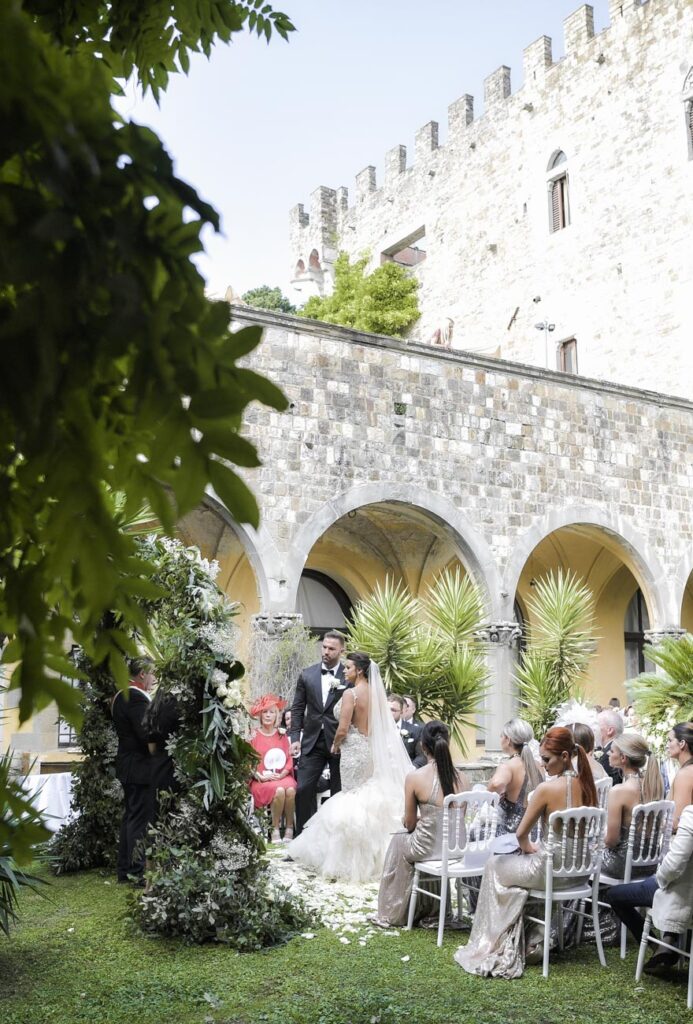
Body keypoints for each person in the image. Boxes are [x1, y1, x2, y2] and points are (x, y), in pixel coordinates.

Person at [455, 726, 598, 979]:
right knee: (512, 869)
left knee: (494, 865)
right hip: (580, 873)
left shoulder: (546, 789)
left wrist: (529, 848)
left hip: (550, 871)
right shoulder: (587, 785)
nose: (542, 765)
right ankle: (528, 936)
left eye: (546, 759)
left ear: (565, 756)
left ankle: (493, 940)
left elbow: (522, 834)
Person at [287, 651, 413, 882]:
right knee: (367, 796)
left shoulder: (351, 694)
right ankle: (378, 858)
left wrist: (335, 745)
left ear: (360, 670)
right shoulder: (376, 696)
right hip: (369, 750)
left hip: (353, 751)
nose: (344, 671)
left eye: (348, 667)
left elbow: (343, 728)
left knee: (351, 798)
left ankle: (348, 858)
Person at [375, 721, 469, 926]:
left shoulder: (415, 777)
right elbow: (456, 818)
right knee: (412, 839)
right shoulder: (463, 778)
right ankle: (430, 907)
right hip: (456, 849)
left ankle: (394, 909)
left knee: (399, 840)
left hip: (427, 848)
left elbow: (409, 825)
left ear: (423, 747)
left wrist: (414, 820)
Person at [605, 804, 693, 971]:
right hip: (684, 891)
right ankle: (666, 945)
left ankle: (655, 946)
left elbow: (674, 866)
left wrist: (660, 879)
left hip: (678, 891)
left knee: (614, 895)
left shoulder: (691, 814)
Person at [290, 631, 349, 835]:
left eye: (331, 649)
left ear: (342, 650)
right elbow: (297, 708)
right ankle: (302, 841)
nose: (326, 651)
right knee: (303, 789)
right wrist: (295, 737)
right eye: (324, 647)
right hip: (312, 741)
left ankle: (336, 840)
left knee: (339, 792)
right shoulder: (307, 674)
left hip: (341, 742)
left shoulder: (349, 676)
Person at [111, 657, 155, 884]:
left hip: (129, 764)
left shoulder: (122, 695)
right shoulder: (135, 697)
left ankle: (125, 870)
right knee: (138, 820)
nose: (154, 679)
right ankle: (135, 872)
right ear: (141, 674)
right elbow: (145, 733)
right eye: (152, 674)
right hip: (138, 766)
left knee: (131, 817)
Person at [602, 732, 664, 878]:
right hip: (651, 864)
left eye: (611, 751)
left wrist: (598, 843)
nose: (608, 754)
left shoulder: (619, 791)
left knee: (583, 857)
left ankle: (592, 898)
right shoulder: (653, 785)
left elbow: (612, 840)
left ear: (623, 758)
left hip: (621, 865)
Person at [249, 694, 297, 843]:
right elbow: (247, 761)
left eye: (272, 712)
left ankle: (289, 828)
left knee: (290, 789)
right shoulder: (253, 735)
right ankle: (275, 829)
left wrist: (283, 773)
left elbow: (289, 759)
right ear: (260, 715)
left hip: (282, 776)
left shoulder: (281, 735)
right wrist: (258, 775)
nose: (268, 715)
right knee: (279, 790)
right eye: (265, 712)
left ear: (277, 715)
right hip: (262, 778)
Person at [144, 687, 181, 821]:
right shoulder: (179, 707)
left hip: (157, 768)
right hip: (175, 768)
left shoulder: (154, 709)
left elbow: (151, 748)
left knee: (158, 815)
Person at [666, 722, 693, 830]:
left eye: (670, 740)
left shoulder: (685, 774)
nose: (667, 745)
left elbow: (677, 822)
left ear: (682, 743)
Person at [390, 693, 422, 763]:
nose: (389, 713)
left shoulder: (416, 730)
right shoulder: (376, 730)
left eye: (393, 710)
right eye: (387, 709)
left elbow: (421, 756)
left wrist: (411, 770)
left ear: (401, 711)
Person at [597, 709, 625, 784]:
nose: (594, 730)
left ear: (609, 730)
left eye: (597, 726)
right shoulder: (620, 747)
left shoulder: (610, 754)